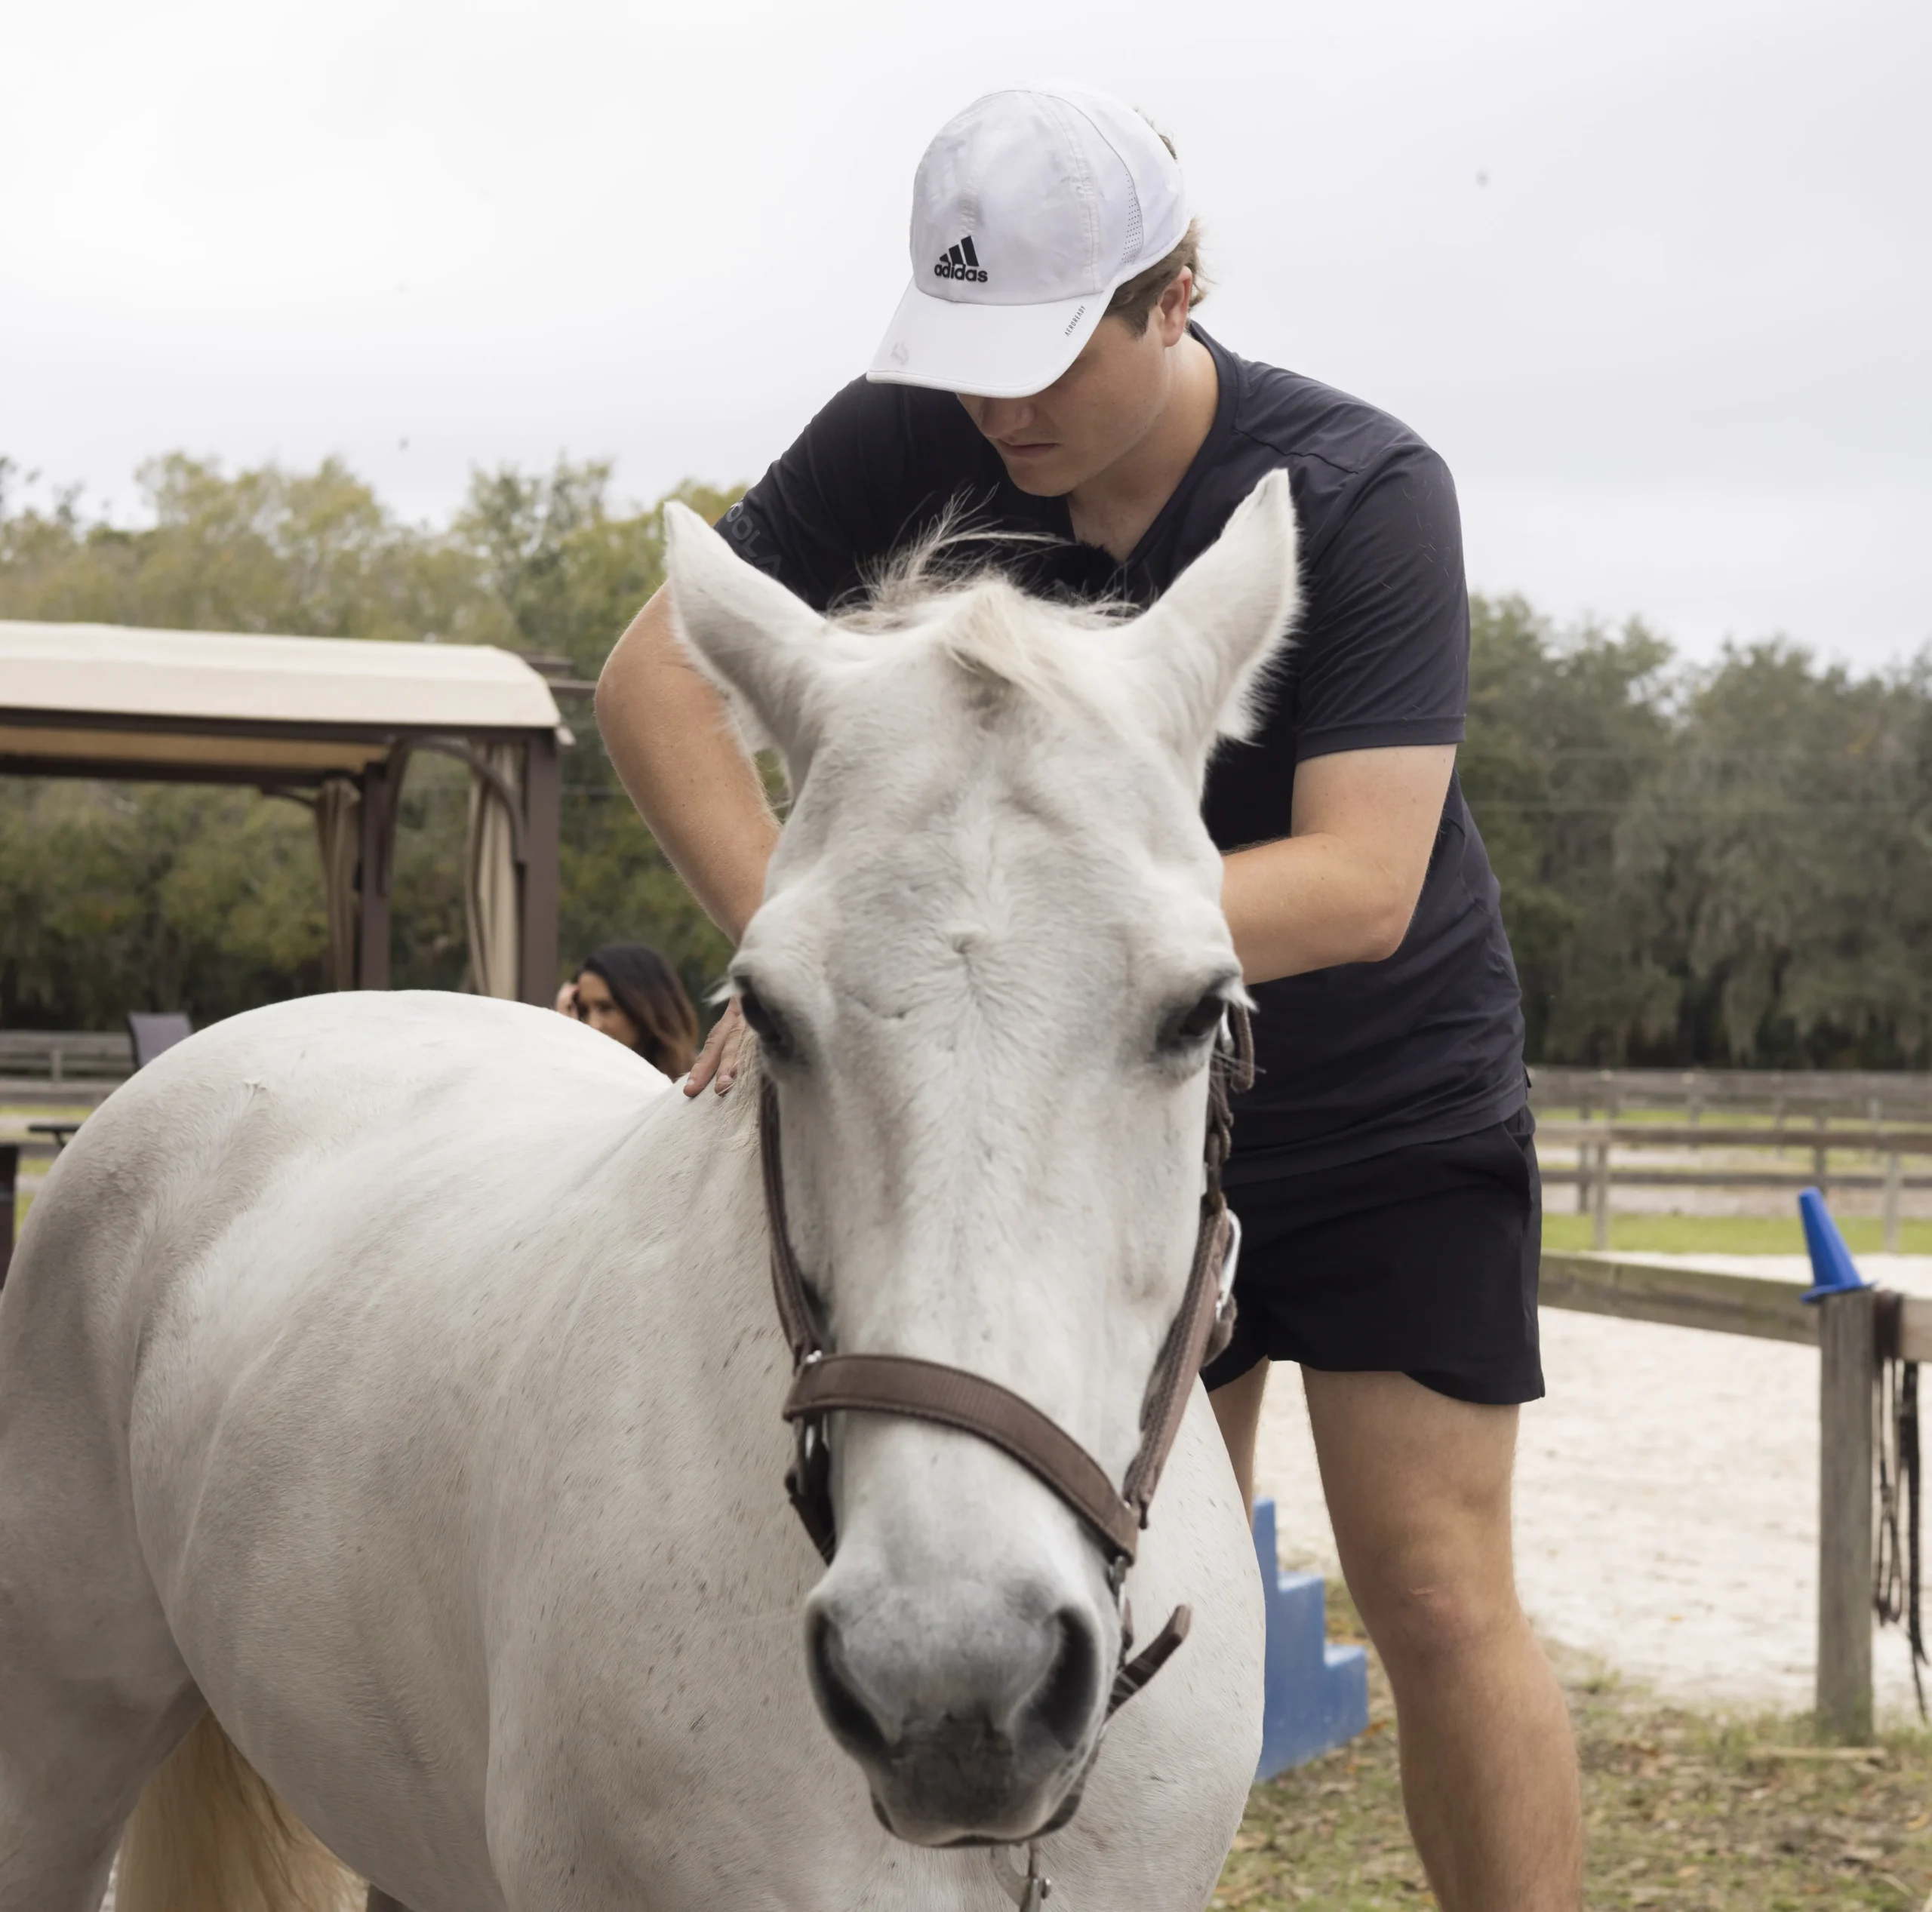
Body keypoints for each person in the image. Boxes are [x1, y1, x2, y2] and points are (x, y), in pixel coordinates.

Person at [597, 83, 1580, 1910]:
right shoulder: (921, 432)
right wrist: (810, 955)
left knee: (1434, 1597)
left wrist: (1009, 942)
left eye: (1047, 352)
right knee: (1107, 1607)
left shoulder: (1364, 492)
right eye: (966, 352)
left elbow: (1361, 879)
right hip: (1063, 1124)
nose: (1001, 404)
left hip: (1369, 1104)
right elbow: (656, 682)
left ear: (1174, 291)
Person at [555, 942, 701, 1081]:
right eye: (584, 1011)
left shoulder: (702, 1082)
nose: (593, 1025)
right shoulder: (584, 1078)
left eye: (606, 1008)